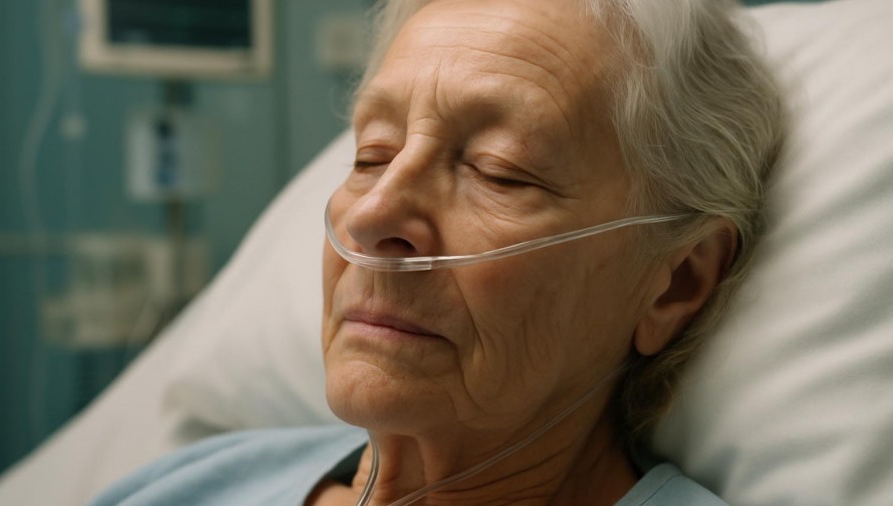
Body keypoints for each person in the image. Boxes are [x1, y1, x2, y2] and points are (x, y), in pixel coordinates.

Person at [90, 0, 784, 504]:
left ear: (675, 284)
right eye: (371, 155)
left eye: (497, 169)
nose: (372, 216)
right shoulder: (193, 483)